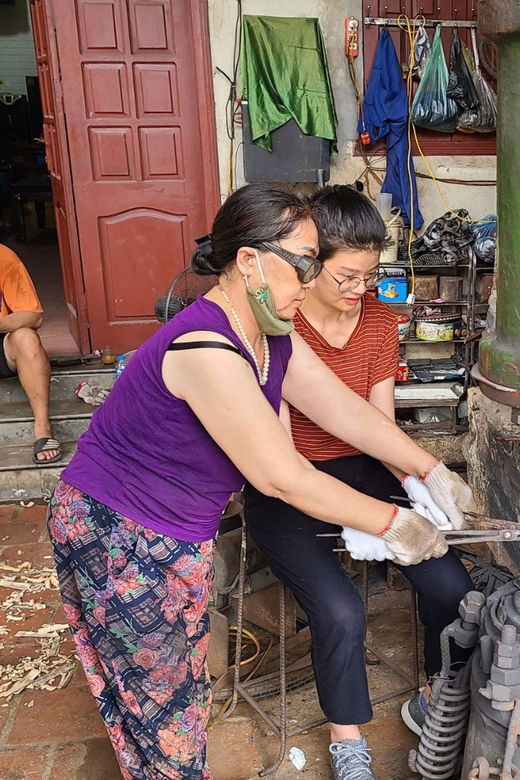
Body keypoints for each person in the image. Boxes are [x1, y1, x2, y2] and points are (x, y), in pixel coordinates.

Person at [47, 183, 472, 780]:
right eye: (304, 267)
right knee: (162, 706)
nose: (311, 283)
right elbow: (282, 476)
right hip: (119, 530)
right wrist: (395, 522)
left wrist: (430, 469)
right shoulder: (206, 346)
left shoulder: (269, 331)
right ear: (249, 261)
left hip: (175, 528)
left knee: (177, 691)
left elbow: (344, 410)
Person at [244, 184, 474, 780]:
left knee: (450, 580)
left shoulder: (377, 322)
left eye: (369, 276)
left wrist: (425, 482)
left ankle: (435, 697)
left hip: (360, 469)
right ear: (309, 262)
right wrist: (370, 516)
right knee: (340, 610)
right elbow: (280, 459)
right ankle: (349, 742)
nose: (358, 291)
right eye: (345, 276)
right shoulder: (273, 328)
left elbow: (376, 423)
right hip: (287, 482)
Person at [0, 243, 61, 462]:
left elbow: (33, 316)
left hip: (3, 343)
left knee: (26, 337)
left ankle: (43, 427)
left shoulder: (3, 256)